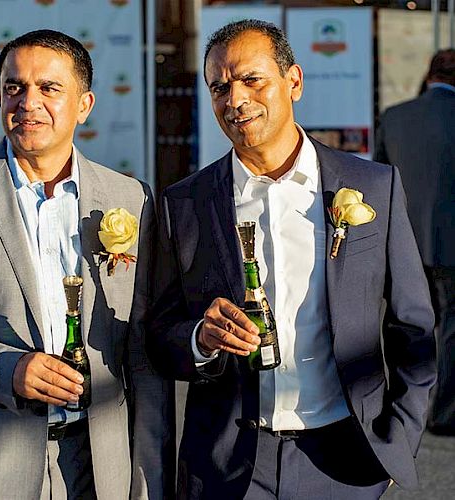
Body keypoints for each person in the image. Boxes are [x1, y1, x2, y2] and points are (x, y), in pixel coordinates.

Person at [149, 19, 436, 500]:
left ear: (294, 81)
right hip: (228, 466)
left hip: (346, 459)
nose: (234, 99)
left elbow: (413, 328)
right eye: (219, 87)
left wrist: (397, 441)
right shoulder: (184, 204)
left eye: (251, 79)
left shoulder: (372, 187)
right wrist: (199, 338)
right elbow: (159, 334)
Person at [0, 29, 173, 500]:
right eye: (15, 87)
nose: (28, 102)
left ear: (84, 104)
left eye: (49, 88)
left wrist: (147, 478)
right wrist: (4, 369)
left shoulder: (129, 200)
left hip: (101, 468)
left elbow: (142, 354)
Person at [375, 49, 455, 435]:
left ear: (429, 75)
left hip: (404, 242)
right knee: (452, 328)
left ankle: (401, 412)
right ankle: (444, 414)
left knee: (408, 327)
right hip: (452, 244)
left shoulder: (395, 117)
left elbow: (377, 181)